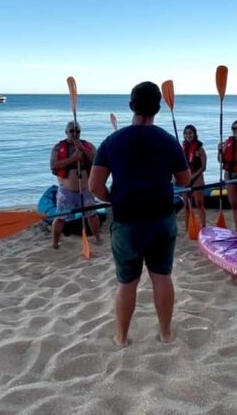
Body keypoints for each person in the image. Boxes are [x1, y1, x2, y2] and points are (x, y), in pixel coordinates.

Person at [89, 81, 190, 348]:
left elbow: (94, 187)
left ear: (131, 106)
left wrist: (114, 198)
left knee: (127, 282)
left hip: (127, 221)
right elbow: (184, 178)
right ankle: (165, 333)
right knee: (162, 276)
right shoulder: (168, 141)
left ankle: (121, 338)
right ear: (158, 108)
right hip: (161, 219)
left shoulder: (112, 141)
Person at [49, 121, 102, 249]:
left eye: (77, 131)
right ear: (66, 132)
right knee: (60, 217)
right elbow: (54, 165)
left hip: (85, 189)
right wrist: (73, 159)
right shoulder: (58, 148)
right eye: (72, 131)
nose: (75, 133)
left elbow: (97, 161)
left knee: (92, 214)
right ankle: (55, 243)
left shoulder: (88, 146)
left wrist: (83, 150)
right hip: (66, 191)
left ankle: (98, 238)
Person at [182, 124, 207, 228]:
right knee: (186, 205)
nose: (188, 135)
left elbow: (203, 167)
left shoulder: (200, 149)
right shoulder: (182, 149)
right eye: (186, 133)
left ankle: (203, 227)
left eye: (190, 133)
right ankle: (187, 227)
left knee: (199, 203)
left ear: (195, 134)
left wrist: (192, 177)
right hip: (185, 179)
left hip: (197, 178)